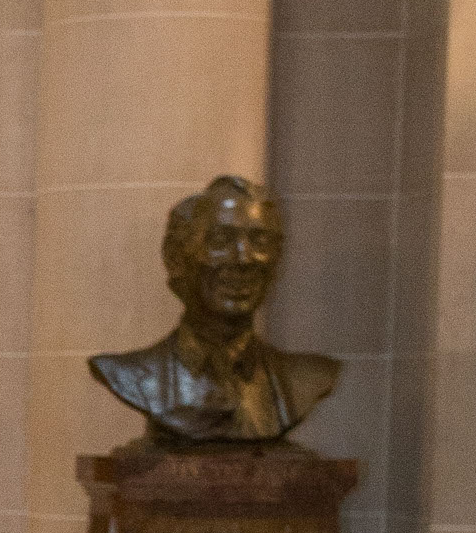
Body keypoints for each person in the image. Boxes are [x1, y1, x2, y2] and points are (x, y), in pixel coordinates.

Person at [89, 173, 339, 442]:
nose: (244, 259)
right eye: (220, 240)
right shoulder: (132, 376)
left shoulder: (305, 378)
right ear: (176, 258)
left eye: (260, 242)